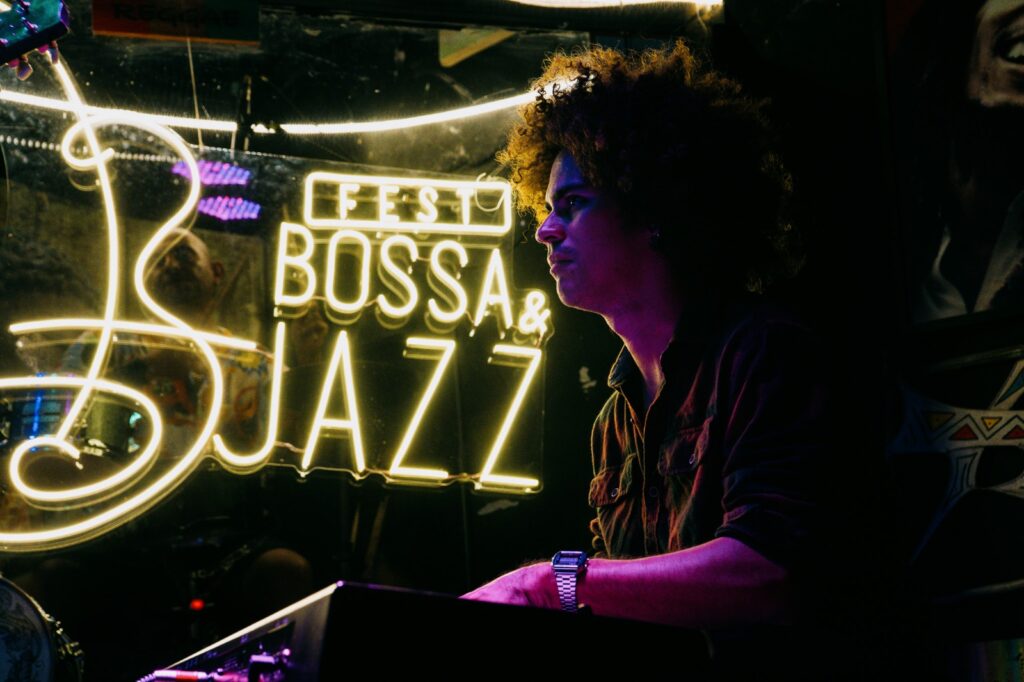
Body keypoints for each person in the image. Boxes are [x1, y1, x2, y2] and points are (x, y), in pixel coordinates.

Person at [463, 41, 869, 658]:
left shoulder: (764, 354)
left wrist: (549, 584)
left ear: (652, 208)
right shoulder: (614, 422)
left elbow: (769, 573)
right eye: (546, 209)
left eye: (572, 204)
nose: (545, 230)